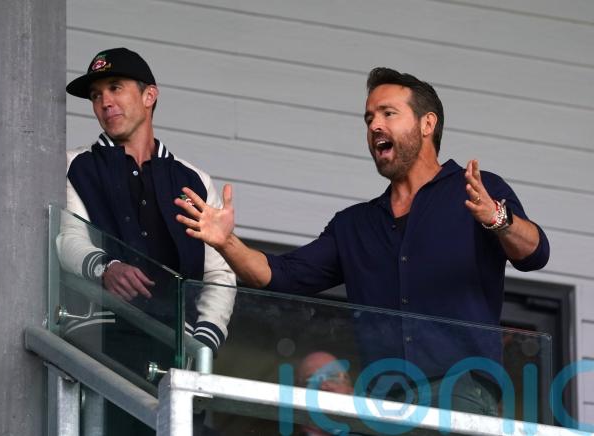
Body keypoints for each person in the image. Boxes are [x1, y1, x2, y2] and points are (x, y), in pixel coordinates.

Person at [174, 67, 550, 416]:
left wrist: (498, 219)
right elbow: (278, 276)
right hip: (382, 404)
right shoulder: (354, 225)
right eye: (369, 118)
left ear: (427, 123)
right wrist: (226, 242)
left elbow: (535, 252)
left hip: (459, 392)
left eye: (388, 113)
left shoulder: (476, 191)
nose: (375, 126)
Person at [58, 47, 236, 435]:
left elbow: (220, 274)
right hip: (99, 345)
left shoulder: (193, 180)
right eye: (95, 95)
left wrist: (201, 347)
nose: (104, 102)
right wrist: (105, 268)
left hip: (174, 356)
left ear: (149, 95)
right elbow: (67, 238)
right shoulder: (73, 164)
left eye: (115, 87)